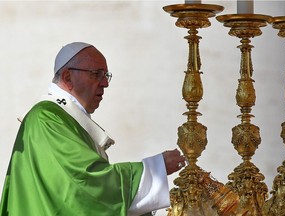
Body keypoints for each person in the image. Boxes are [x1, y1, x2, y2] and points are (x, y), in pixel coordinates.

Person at [0, 42, 186, 216]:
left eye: (106, 75)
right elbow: (85, 186)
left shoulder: (67, 119)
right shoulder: (47, 118)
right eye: (96, 74)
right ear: (67, 77)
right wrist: (154, 169)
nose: (105, 83)